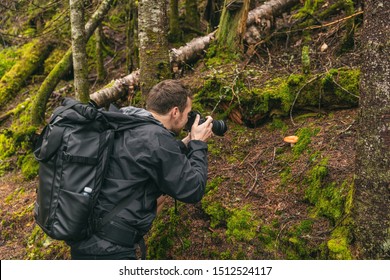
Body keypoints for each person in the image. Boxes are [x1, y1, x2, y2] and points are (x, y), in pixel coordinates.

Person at [69, 79, 213, 259]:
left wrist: (185, 144)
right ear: (175, 111)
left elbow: (145, 158)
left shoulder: (126, 122)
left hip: (85, 237)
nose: (187, 120)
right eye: (188, 114)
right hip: (110, 250)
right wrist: (199, 145)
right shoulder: (157, 139)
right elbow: (193, 189)